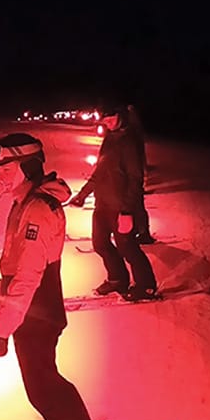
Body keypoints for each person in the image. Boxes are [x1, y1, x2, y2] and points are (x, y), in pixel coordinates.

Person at [0, 133, 110, 420]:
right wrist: (2, 287)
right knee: (43, 378)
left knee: (41, 384)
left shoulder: (37, 208)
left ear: (27, 164)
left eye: (6, 166)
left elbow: (29, 277)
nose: (0, 173)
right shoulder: (27, 201)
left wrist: (1, 328)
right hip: (34, 307)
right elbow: (18, 263)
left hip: (36, 310)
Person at [69, 106, 159, 301]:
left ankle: (147, 286)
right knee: (100, 243)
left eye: (110, 118)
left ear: (120, 115)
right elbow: (100, 171)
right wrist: (83, 194)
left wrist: (127, 210)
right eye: (105, 120)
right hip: (102, 204)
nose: (107, 123)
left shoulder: (129, 142)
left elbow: (135, 179)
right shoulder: (110, 138)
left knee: (128, 247)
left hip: (121, 207)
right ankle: (118, 279)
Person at [126, 104, 155, 244]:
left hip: (134, 173)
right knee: (135, 204)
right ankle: (138, 229)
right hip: (135, 172)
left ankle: (143, 232)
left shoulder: (133, 132)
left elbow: (138, 156)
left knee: (136, 204)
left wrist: (141, 173)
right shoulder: (134, 131)